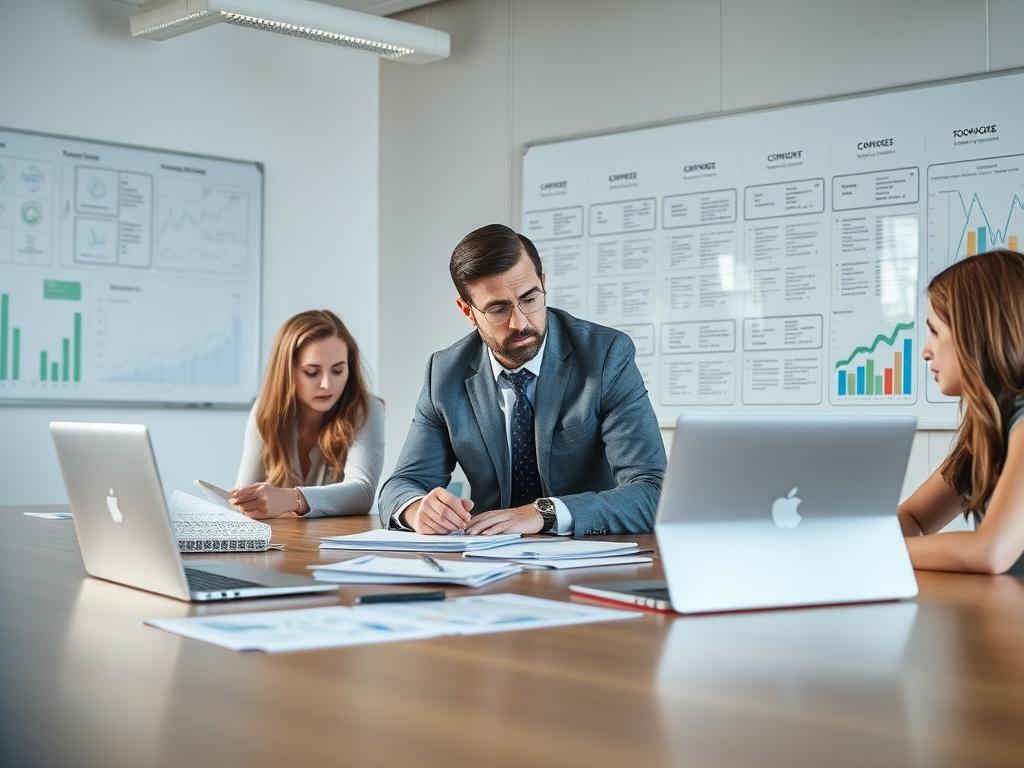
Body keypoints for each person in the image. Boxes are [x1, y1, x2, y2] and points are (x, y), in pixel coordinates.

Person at [378, 223, 666, 536]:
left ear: (543, 283)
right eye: (498, 309)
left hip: (588, 556)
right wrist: (417, 508)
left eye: (530, 299)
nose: (520, 322)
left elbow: (653, 492)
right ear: (467, 311)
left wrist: (545, 513)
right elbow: (400, 486)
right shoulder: (444, 373)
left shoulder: (606, 356)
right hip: (487, 558)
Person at [898, 249, 1024, 573]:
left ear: (976, 335)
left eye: (935, 332)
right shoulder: (987, 426)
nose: (925, 351)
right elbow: (913, 517)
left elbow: (990, 551)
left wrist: (875, 551)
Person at [232, 309, 384, 518]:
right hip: (284, 543)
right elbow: (245, 489)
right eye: (312, 372)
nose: (326, 384)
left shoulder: (366, 409)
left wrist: (292, 498)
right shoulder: (265, 410)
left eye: (338, 370)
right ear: (287, 372)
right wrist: (244, 501)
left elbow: (362, 491)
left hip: (337, 543)